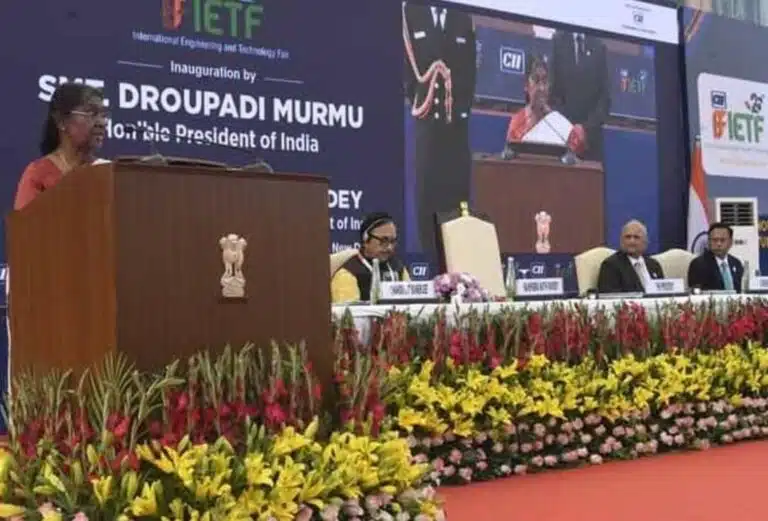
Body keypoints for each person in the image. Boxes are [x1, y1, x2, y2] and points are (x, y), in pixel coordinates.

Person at [403, 2, 476, 255]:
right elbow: (408, 70)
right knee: (426, 199)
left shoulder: (462, 16)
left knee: (456, 198)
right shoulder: (412, 12)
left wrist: (458, 112)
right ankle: (429, 258)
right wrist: (421, 102)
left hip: (455, 128)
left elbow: (469, 71)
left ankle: (457, 258)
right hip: (427, 125)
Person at [14, 83, 108, 210]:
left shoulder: (108, 172)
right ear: (61, 121)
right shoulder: (38, 174)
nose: (102, 123)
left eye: (103, 115)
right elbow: (26, 222)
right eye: (91, 113)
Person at [550, 30, 609, 160]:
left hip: (591, 142)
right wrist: (569, 129)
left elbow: (605, 98)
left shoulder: (599, 46)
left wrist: (585, 129)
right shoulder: (558, 41)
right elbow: (553, 93)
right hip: (562, 138)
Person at [331, 213, 410, 303]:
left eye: (392, 241)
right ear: (365, 240)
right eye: (383, 241)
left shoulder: (398, 267)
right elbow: (348, 311)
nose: (389, 247)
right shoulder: (347, 274)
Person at [597, 220, 664, 293]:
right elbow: (610, 295)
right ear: (621, 241)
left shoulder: (654, 265)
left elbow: (664, 292)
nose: (632, 241)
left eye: (636, 237)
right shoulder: (610, 266)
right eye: (628, 237)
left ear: (646, 242)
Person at [505, 54, 552, 143]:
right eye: (536, 81)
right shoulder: (517, 123)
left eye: (545, 81)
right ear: (526, 85)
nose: (541, 88)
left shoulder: (556, 122)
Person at [687, 222, 744, 292]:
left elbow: (741, 290)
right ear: (709, 242)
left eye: (722, 240)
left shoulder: (736, 263)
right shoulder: (698, 264)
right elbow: (696, 293)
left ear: (730, 242)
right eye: (715, 240)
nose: (718, 244)